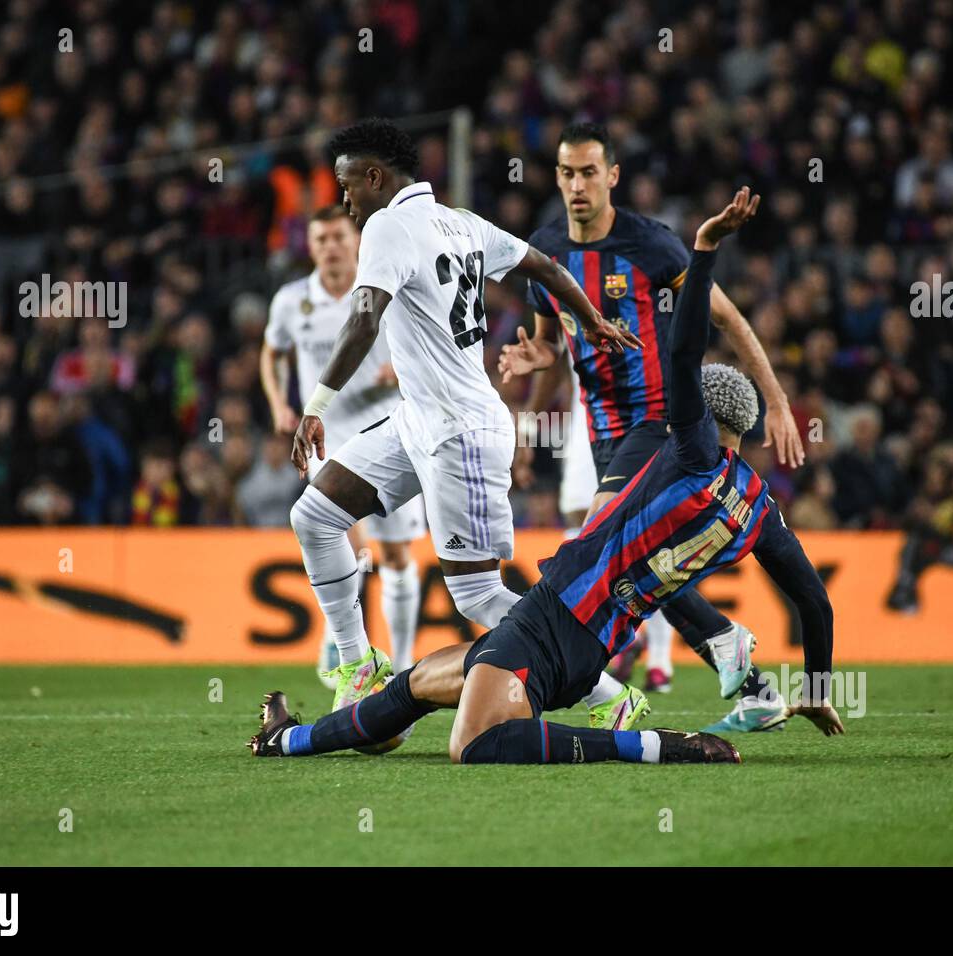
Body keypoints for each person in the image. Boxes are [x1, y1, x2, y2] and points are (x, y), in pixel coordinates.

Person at [253, 189, 842, 764]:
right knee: (414, 687)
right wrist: (816, 688)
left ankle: (658, 741)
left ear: (700, 421)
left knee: (475, 741)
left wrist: (705, 249)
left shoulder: (690, 449)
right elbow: (815, 603)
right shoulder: (760, 510)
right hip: (589, 639)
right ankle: (285, 741)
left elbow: (684, 354)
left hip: (556, 618)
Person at [289, 118, 639, 714]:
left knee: (478, 596)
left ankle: (611, 695)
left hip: (461, 431)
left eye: (348, 185)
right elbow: (548, 268)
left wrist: (316, 406)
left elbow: (365, 316)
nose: (344, 199)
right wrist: (592, 319)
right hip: (418, 420)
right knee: (316, 515)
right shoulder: (461, 222)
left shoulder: (386, 227)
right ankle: (357, 665)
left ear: (376, 177)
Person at [501, 122, 804, 729]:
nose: (578, 184)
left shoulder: (651, 245)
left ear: (612, 176)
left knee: (599, 536)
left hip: (662, 419)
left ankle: (651, 670)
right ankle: (749, 679)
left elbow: (727, 318)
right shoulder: (544, 249)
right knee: (631, 557)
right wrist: (532, 404)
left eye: (590, 172)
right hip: (602, 432)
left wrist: (775, 400)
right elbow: (547, 346)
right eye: (567, 172)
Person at [262, 205, 426, 682]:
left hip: (392, 433)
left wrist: (402, 367)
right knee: (349, 543)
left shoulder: (384, 290)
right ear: (309, 246)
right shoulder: (293, 301)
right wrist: (278, 403)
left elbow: (423, 339)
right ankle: (345, 644)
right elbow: (272, 352)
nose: (329, 246)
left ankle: (404, 659)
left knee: (394, 558)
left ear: (354, 240)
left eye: (337, 236)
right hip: (328, 441)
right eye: (320, 239)